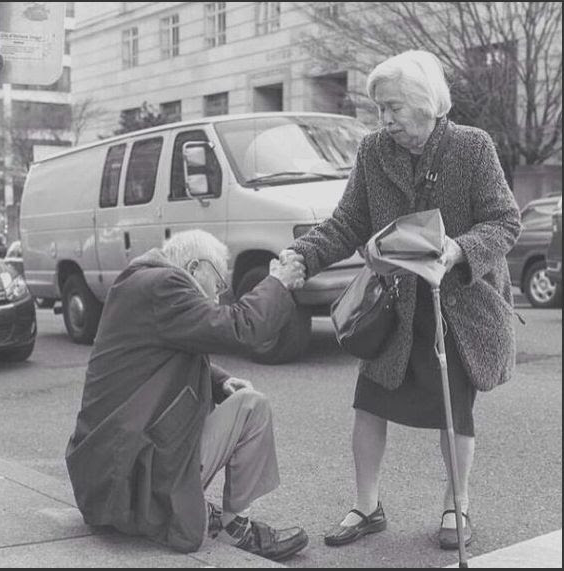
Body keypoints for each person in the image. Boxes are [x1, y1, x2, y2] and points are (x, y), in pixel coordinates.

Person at [281, 50, 522, 550]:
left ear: (425, 103)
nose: (383, 119)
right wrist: (302, 256)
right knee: (369, 405)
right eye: (379, 109)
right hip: (392, 307)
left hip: (458, 307)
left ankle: (458, 505)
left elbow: (505, 221)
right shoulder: (374, 151)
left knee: (454, 409)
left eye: (391, 107)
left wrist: (459, 249)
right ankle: (366, 507)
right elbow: (348, 222)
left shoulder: (471, 148)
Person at [65, 229, 308, 561]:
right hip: (128, 486)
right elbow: (243, 328)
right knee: (253, 407)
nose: (218, 297)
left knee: (236, 399)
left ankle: (195, 507)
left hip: (104, 482)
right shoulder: (166, 286)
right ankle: (236, 528)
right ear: (195, 268)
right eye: (218, 285)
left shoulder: (139, 284)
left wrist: (219, 381)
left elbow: (153, 355)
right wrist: (277, 283)